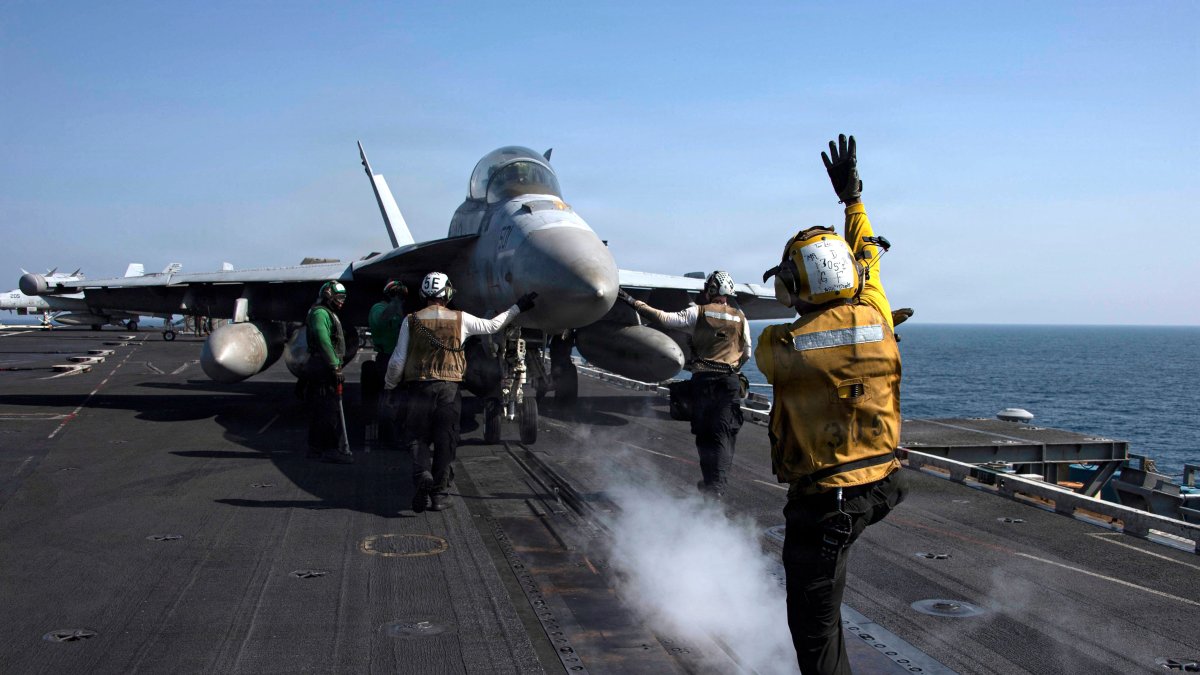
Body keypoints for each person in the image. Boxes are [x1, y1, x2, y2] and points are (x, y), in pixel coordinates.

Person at [757, 134, 907, 675]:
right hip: (883, 485)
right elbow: (868, 257)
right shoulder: (878, 312)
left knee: (814, 631)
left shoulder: (780, 345)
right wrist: (853, 201)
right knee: (827, 610)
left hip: (828, 503)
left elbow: (800, 335)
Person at [383, 272, 537, 512]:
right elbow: (493, 326)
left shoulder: (410, 320)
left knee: (417, 437)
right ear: (447, 292)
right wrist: (518, 307)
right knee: (446, 442)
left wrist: (390, 387)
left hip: (419, 389)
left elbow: (397, 361)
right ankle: (440, 494)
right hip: (449, 391)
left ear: (424, 294)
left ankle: (422, 473)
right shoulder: (460, 319)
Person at [617, 271, 751, 498]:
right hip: (728, 383)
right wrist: (732, 368)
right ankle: (714, 486)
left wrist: (632, 302)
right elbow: (746, 352)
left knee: (704, 435)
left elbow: (663, 318)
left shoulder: (697, 312)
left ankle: (713, 487)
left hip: (704, 382)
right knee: (724, 433)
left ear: (710, 290)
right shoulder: (741, 318)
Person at [304, 280, 354, 464]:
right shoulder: (320, 314)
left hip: (321, 366)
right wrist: (334, 366)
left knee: (319, 409)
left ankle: (315, 448)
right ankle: (330, 449)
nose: (341, 301)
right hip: (322, 368)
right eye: (338, 297)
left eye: (343, 298)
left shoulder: (326, 313)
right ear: (328, 296)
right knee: (328, 410)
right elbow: (323, 340)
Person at [364, 279, 407, 442]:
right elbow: (382, 320)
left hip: (399, 357)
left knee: (400, 398)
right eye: (398, 295)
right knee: (389, 398)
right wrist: (395, 302)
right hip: (386, 358)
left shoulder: (398, 310)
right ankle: (387, 437)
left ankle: (398, 433)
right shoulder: (378, 308)